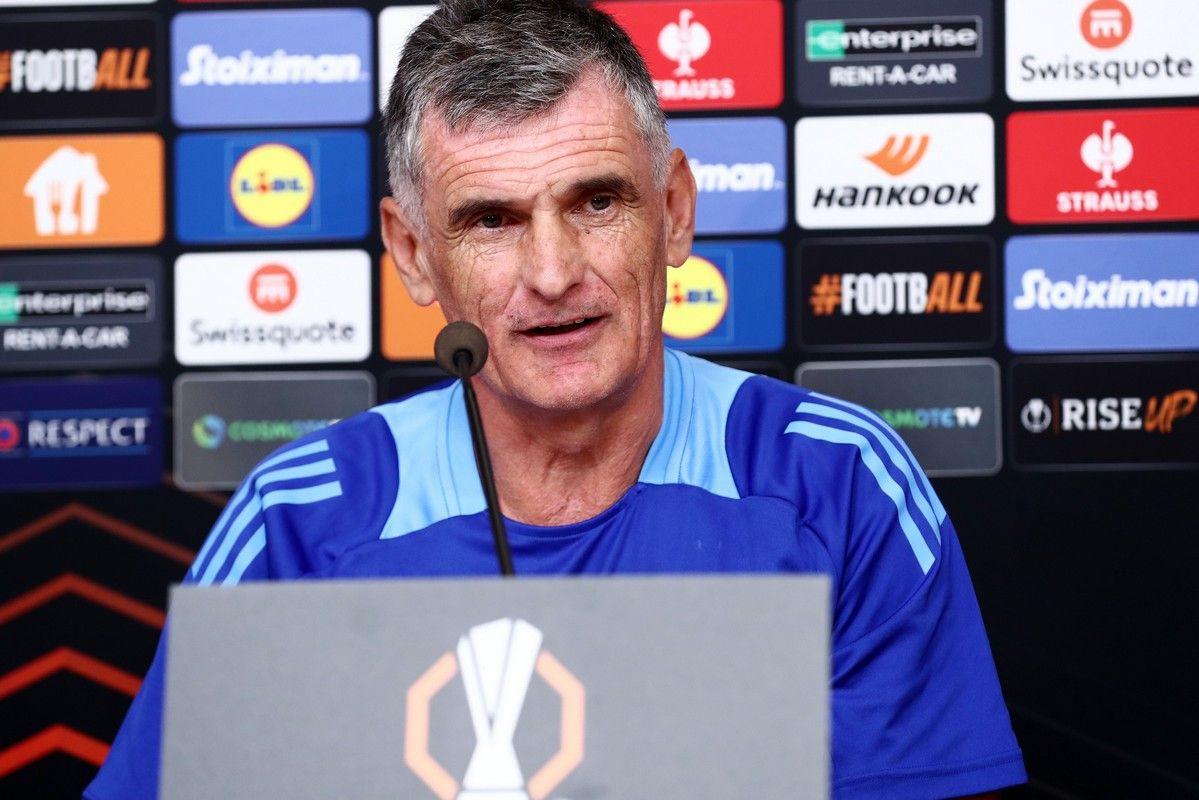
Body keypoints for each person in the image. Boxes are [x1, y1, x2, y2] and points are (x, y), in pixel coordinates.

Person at [86, 1, 1026, 798]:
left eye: (596, 203)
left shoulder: (839, 483)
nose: (551, 272)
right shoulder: (297, 523)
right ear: (413, 254)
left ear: (675, 211)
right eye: (491, 220)